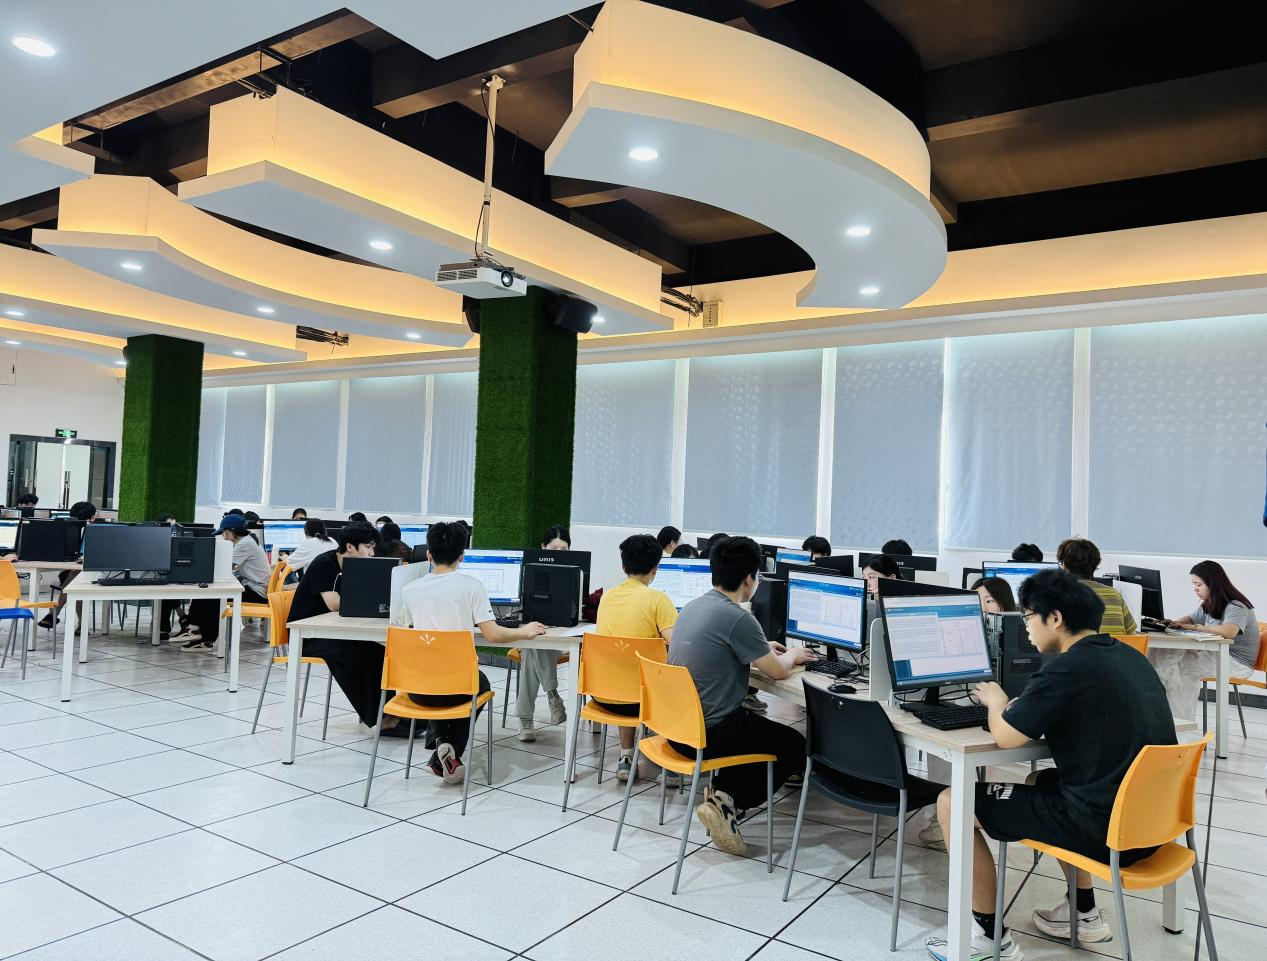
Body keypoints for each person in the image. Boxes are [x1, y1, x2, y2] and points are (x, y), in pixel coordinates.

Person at [925, 569, 1176, 960]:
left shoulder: (1066, 668)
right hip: (1153, 825)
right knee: (1039, 778)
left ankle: (987, 938)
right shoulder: (1128, 655)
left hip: (1103, 830)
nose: (1025, 626)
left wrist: (995, 701)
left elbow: (1007, 737)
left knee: (952, 802)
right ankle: (1083, 911)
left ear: (1055, 618)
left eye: (1028, 616)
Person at [667, 536, 817, 855]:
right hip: (709, 733)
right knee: (793, 744)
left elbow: (724, 649)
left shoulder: (693, 607)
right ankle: (727, 804)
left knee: (751, 727)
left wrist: (761, 648)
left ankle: (722, 797)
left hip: (676, 729)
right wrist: (792, 655)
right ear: (749, 578)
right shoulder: (738, 617)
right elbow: (777, 672)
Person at [400, 522, 545, 781]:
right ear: (462, 556)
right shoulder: (471, 586)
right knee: (479, 683)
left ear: (429, 555)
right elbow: (493, 634)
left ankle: (442, 744)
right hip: (458, 686)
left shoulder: (409, 590)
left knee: (434, 678)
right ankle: (451, 751)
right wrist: (524, 631)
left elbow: (412, 633)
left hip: (417, 688)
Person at [288, 522, 413, 737]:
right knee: (351, 654)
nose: (372, 553)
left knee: (378, 652)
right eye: (368, 547)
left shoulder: (358, 565)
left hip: (333, 630)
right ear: (350, 547)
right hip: (307, 635)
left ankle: (389, 712)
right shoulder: (324, 564)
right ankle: (379, 719)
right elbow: (333, 604)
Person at [594, 533, 678, 781]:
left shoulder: (607, 596)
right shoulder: (658, 599)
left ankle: (626, 756)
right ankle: (670, 763)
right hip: (644, 702)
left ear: (623, 566)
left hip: (603, 695)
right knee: (674, 682)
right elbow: (678, 643)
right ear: (655, 569)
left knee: (625, 671)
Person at [1150, 560, 1260, 720]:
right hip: (1216, 655)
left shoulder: (1237, 606)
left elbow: (1229, 632)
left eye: (1199, 584)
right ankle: (1159, 711)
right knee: (1161, 653)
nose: (1195, 589)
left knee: (1181, 668)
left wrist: (1194, 627)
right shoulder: (1209, 604)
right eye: (1194, 584)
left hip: (1236, 663)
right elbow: (1189, 619)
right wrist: (1171, 623)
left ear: (1213, 584)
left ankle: (1179, 723)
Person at [172, 514, 270, 652]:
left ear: (231, 531)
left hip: (256, 592)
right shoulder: (248, 540)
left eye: (223, 533)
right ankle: (198, 633)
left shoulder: (245, 544)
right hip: (254, 587)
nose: (223, 537)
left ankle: (201, 636)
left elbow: (225, 565)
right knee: (211, 593)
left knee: (214, 595)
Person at [515, 525, 572, 741]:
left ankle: (525, 719)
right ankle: (553, 695)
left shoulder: (574, 571)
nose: (558, 554)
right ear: (543, 547)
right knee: (535, 645)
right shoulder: (529, 570)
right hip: (536, 632)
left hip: (563, 637)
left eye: (564, 550)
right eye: (553, 549)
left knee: (533, 649)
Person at [1055, 538, 1137, 635]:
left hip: (1080, 645)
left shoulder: (1059, 595)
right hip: (1115, 645)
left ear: (1064, 565)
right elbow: (1133, 636)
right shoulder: (1114, 594)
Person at [36, 500, 97, 629]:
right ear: (92, 517)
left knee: (75, 579)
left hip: (94, 572)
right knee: (76, 579)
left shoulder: (93, 530)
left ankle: (54, 613)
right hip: (76, 569)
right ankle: (81, 624)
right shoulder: (73, 529)